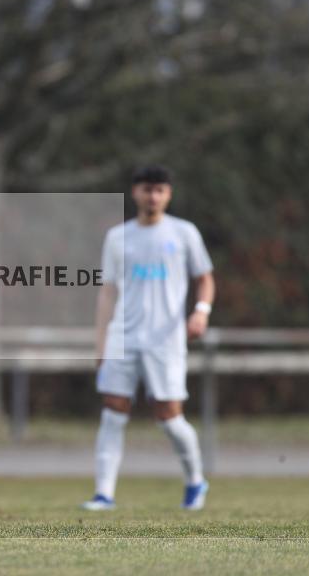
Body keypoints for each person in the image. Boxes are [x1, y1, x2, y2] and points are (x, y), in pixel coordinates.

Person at [83, 166, 215, 511]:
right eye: (146, 189)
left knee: (169, 416)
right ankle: (104, 494)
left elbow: (205, 278)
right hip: (123, 337)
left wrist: (201, 311)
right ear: (135, 192)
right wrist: (101, 343)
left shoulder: (184, 233)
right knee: (113, 412)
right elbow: (108, 293)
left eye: (159, 190)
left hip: (165, 341)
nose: (152, 196)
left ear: (168, 194)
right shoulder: (117, 237)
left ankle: (196, 481)